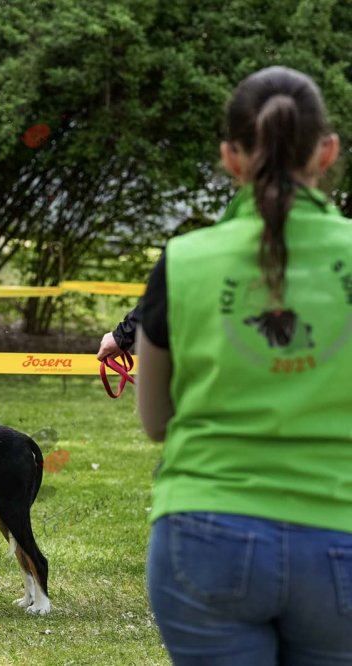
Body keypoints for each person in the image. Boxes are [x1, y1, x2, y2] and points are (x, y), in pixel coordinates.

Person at [136, 66, 352, 664]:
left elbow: (155, 420)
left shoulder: (183, 260)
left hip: (204, 535)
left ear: (231, 158)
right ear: (327, 152)